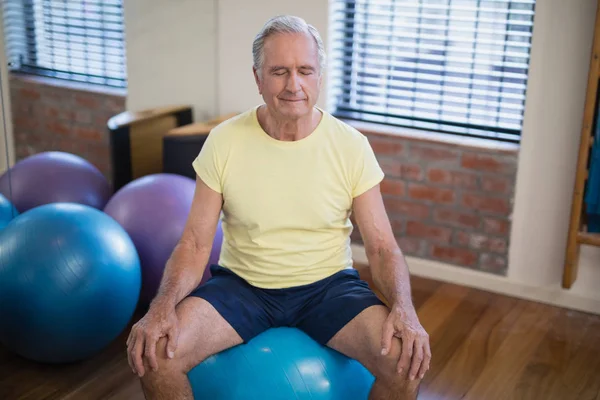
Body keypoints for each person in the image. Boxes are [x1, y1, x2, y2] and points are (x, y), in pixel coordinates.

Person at [126, 15, 431, 400]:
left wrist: (404, 309)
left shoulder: (351, 146)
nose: (294, 85)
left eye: (305, 71)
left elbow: (383, 247)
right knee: (155, 354)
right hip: (242, 286)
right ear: (257, 78)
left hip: (328, 287)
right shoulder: (224, 141)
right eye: (279, 72)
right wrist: (162, 307)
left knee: (407, 361)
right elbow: (195, 244)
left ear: (319, 76)